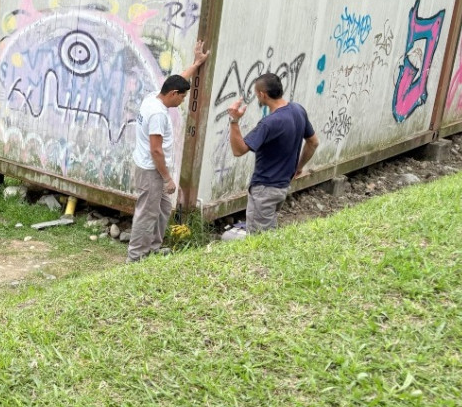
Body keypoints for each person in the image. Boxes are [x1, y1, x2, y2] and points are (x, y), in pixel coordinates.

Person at [127, 41, 210, 263]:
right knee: (147, 213)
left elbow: (179, 79)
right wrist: (167, 179)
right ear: (173, 94)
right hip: (152, 171)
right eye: (182, 97)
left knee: (163, 208)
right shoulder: (158, 114)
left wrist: (196, 63)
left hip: (156, 170)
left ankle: (153, 248)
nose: (183, 100)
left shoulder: (155, 95)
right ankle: (135, 258)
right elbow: (156, 150)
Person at [226, 72, 320, 233]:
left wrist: (234, 120)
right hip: (282, 188)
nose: (257, 98)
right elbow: (313, 142)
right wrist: (299, 167)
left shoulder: (270, 123)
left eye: (257, 95)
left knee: (258, 241)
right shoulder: (298, 110)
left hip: (264, 190)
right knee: (269, 235)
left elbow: (238, 150)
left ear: (263, 95)